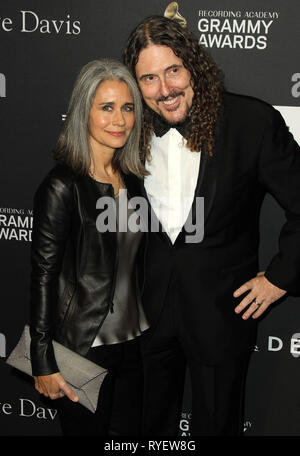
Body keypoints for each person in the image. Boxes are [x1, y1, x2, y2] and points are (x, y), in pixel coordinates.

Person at [122, 15, 300, 436]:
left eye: (173, 71)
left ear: (193, 65)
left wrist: (279, 278)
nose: (164, 90)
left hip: (222, 313)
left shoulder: (251, 122)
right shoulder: (125, 128)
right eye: (148, 78)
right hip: (144, 316)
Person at [29, 59, 149, 436]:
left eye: (127, 108)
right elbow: (44, 277)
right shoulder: (62, 186)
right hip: (82, 348)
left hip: (133, 344)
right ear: (84, 112)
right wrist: (43, 360)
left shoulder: (133, 180)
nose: (119, 119)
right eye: (107, 107)